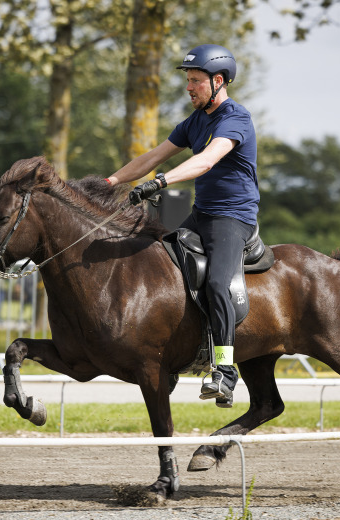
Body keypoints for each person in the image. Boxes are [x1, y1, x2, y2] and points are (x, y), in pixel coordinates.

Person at [105, 44, 258, 408]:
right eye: (187, 80)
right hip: (201, 213)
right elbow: (152, 157)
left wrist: (160, 183)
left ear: (218, 82)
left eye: (195, 81)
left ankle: (224, 372)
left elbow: (205, 161)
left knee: (218, 282)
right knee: (155, 265)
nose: (188, 88)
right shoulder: (194, 121)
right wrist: (107, 184)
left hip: (233, 217)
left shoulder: (235, 118)